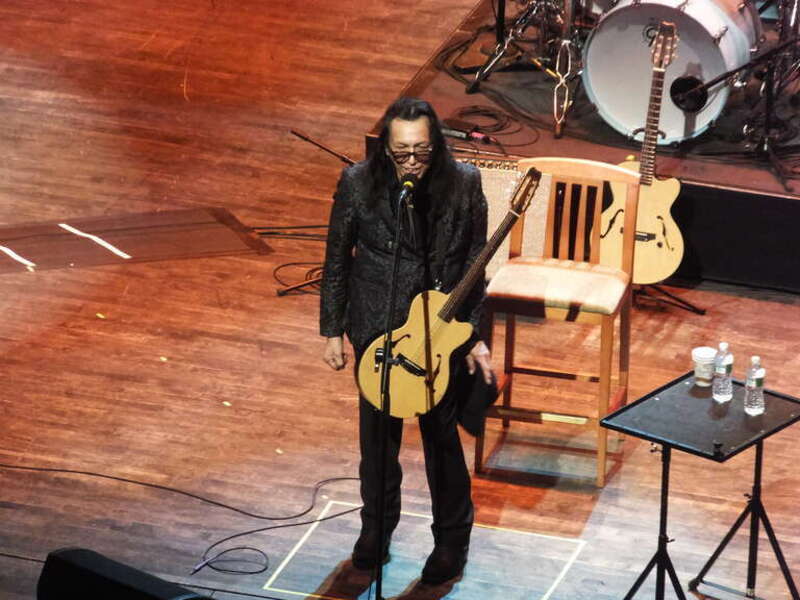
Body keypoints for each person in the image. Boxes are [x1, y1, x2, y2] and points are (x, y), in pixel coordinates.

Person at [319, 97, 493, 586]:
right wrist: (332, 328)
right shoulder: (358, 183)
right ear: (386, 149)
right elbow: (336, 258)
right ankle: (375, 531)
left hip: (439, 333)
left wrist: (472, 334)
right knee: (376, 443)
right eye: (401, 153)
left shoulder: (464, 182)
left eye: (420, 151)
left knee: (441, 441)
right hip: (376, 322)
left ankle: (451, 541)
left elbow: (477, 264)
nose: (411, 161)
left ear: (435, 144)